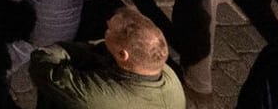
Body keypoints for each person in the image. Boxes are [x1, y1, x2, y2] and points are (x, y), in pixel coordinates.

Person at [29, 6, 184, 109]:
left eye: (109, 30)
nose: (106, 31)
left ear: (123, 55)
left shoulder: (93, 96)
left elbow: (43, 66)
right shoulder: (164, 72)